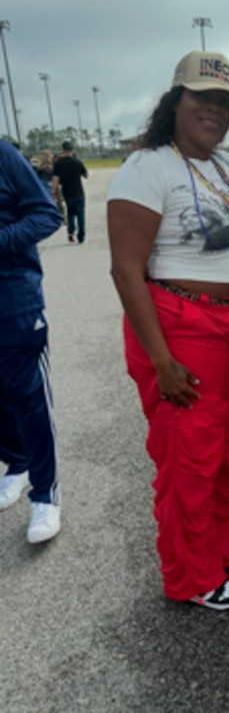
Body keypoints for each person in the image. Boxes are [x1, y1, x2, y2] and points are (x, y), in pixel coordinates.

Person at [107, 50, 229, 611]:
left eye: (225, 102)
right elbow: (126, 270)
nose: (215, 111)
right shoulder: (147, 167)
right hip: (179, 325)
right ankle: (192, 575)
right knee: (190, 455)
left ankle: (225, 543)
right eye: (204, 98)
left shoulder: (225, 166)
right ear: (176, 99)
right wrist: (160, 360)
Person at [0, 139, 63, 542]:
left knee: (29, 401)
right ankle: (17, 464)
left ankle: (46, 496)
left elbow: (46, 214)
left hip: (13, 304)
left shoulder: (4, 155)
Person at [51, 141, 88, 243]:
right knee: (81, 214)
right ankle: (81, 236)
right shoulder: (77, 162)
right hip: (78, 192)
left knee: (70, 213)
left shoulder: (58, 163)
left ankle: (70, 232)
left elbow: (55, 179)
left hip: (67, 192)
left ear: (62, 150)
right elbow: (85, 175)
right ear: (72, 150)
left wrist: (53, 192)